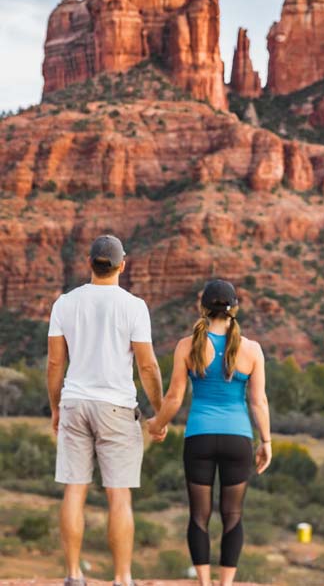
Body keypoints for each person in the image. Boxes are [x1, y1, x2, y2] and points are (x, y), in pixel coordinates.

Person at [47, 235, 167, 586]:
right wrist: (159, 414)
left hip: (74, 403)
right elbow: (147, 367)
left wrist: (56, 407)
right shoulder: (134, 306)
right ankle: (122, 578)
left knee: (74, 488)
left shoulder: (64, 304)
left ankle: (73, 575)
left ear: (89, 263)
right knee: (118, 495)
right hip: (117, 407)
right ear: (122, 265)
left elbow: (56, 362)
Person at [147, 279, 271, 586]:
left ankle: (204, 582)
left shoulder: (187, 345)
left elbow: (175, 397)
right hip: (238, 439)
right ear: (235, 309)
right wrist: (266, 441)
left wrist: (158, 424)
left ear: (203, 307)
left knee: (198, 515)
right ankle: (225, 584)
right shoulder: (252, 350)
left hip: (199, 438)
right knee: (233, 516)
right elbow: (259, 401)